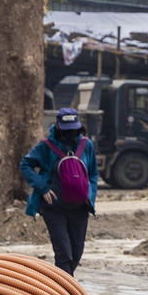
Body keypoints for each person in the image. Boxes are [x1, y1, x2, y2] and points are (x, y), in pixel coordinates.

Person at [20, 107, 98, 276]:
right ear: (57, 126)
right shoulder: (46, 146)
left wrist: (90, 196)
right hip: (54, 207)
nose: (70, 133)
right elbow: (25, 165)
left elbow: (93, 173)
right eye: (66, 130)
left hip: (80, 208)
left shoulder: (87, 145)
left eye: (73, 129)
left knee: (76, 253)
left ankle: (59, 288)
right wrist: (43, 187)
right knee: (64, 254)